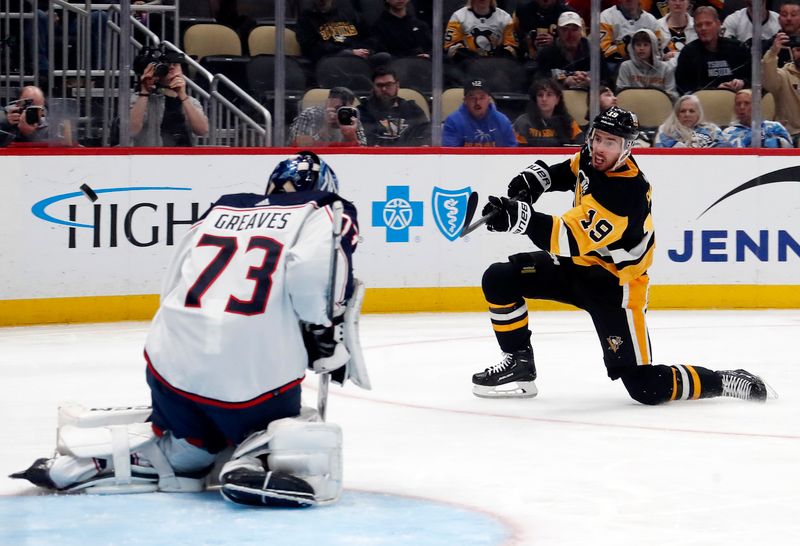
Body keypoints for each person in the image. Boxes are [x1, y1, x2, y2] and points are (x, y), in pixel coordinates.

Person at [10, 151, 368, 507]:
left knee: (190, 441)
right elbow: (311, 283)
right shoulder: (324, 209)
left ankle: (159, 456)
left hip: (169, 371)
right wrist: (323, 335)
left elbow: (173, 283)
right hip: (254, 381)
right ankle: (251, 459)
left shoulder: (221, 210)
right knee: (293, 423)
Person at [470, 106, 770, 404]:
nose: (600, 148)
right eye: (598, 138)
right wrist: (537, 180)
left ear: (627, 148)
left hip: (615, 285)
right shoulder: (593, 157)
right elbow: (570, 172)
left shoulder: (627, 192)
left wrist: (519, 217)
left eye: (610, 142)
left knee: (645, 387)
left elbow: (567, 238)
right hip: (576, 268)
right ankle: (519, 365)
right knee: (499, 279)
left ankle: (722, 380)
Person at [129, 46, 209, 147]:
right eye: (167, 65)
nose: (171, 68)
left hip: (184, 158)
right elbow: (130, 131)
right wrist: (144, 91)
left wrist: (183, 96)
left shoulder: (191, 101)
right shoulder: (139, 99)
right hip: (151, 158)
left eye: (175, 65)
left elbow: (202, 130)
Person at [674, 6, 751, 95]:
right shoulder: (688, 53)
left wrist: (742, 82)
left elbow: (753, 77)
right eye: (699, 25)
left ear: (718, 24)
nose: (703, 28)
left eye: (708, 23)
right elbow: (683, 88)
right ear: (695, 29)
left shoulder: (738, 48)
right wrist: (714, 90)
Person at [534, 11, 613, 90]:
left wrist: (591, 83)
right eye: (565, 30)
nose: (570, 34)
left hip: (587, 98)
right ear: (558, 31)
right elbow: (538, 82)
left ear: (581, 31)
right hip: (558, 99)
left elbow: (607, 82)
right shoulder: (547, 52)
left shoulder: (593, 52)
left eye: (574, 29)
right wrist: (563, 81)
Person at [356, 66, 429, 146]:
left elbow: (425, 137)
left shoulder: (413, 110)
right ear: (373, 87)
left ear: (397, 85)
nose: (384, 89)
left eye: (389, 84)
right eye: (379, 85)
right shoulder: (363, 111)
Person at [442, 78, 518, 146]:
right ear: (465, 100)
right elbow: (449, 155)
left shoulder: (502, 121)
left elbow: (512, 152)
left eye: (482, 97)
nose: (477, 102)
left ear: (489, 100)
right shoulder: (453, 121)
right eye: (472, 98)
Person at [295, 0, 374, 64]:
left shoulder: (350, 15)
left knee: (382, 57)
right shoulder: (306, 19)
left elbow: (369, 38)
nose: (322, 1)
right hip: (328, 61)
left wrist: (366, 50)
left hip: (358, 57)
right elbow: (312, 48)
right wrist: (348, 52)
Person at [513, 77, 584, 146]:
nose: (544, 99)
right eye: (540, 95)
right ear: (535, 99)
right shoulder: (523, 123)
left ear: (557, 99)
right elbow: (516, 151)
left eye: (549, 95)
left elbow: (581, 147)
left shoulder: (569, 122)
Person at [288, 86, 366, 146]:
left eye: (343, 109)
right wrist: (324, 129)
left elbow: (365, 153)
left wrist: (351, 137)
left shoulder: (352, 118)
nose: (339, 112)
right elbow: (296, 145)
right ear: (326, 103)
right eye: (335, 108)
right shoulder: (310, 115)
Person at [599, 0, 664, 73]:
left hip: (646, 65)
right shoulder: (606, 17)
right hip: (616, 64)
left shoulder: (651, 21)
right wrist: (627, 49)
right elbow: (604, 50)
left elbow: (658, 51)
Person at [444, 0, 519, 61]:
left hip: (497, 66)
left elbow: (512, 48)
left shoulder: (505, 18)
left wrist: (495, 58)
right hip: (466, 67)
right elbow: (451, 48)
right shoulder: (458, 16)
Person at [616, 28, 678, 100]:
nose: (641, 48)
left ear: (653, 47)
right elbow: (621, 93)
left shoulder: (666, 68)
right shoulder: (626, 66)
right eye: (638, 45)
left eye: (646, 45)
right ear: (633, 47)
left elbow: (672, 94)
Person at [762, 30, 800, 144]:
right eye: (798, 50)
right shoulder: (783, 75)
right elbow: (769, 82)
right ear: (792, 52)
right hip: (789, 135)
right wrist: (773, 53)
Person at [721, 88, 792, 147]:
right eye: (738, 104)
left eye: (747, 103)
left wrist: (771, 141)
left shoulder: (775, 127)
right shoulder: (728, 132)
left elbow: (790, 150)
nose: (742, 107)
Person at [654, 94, 725, 147]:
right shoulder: (666, 130)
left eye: (692, 111)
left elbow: (725, 147)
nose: (687, 114)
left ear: (698, 113)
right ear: (677, 114)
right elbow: (660, 152)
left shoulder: (713, 129)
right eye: (682, 111)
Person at [656, 0, 697, 64]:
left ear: (689, 3)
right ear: (667, 2)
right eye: (674, 0)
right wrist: (663, 57)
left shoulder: (698, 25)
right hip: (665, 72)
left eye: (682, 0)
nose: (677, 3)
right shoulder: (656, 26)